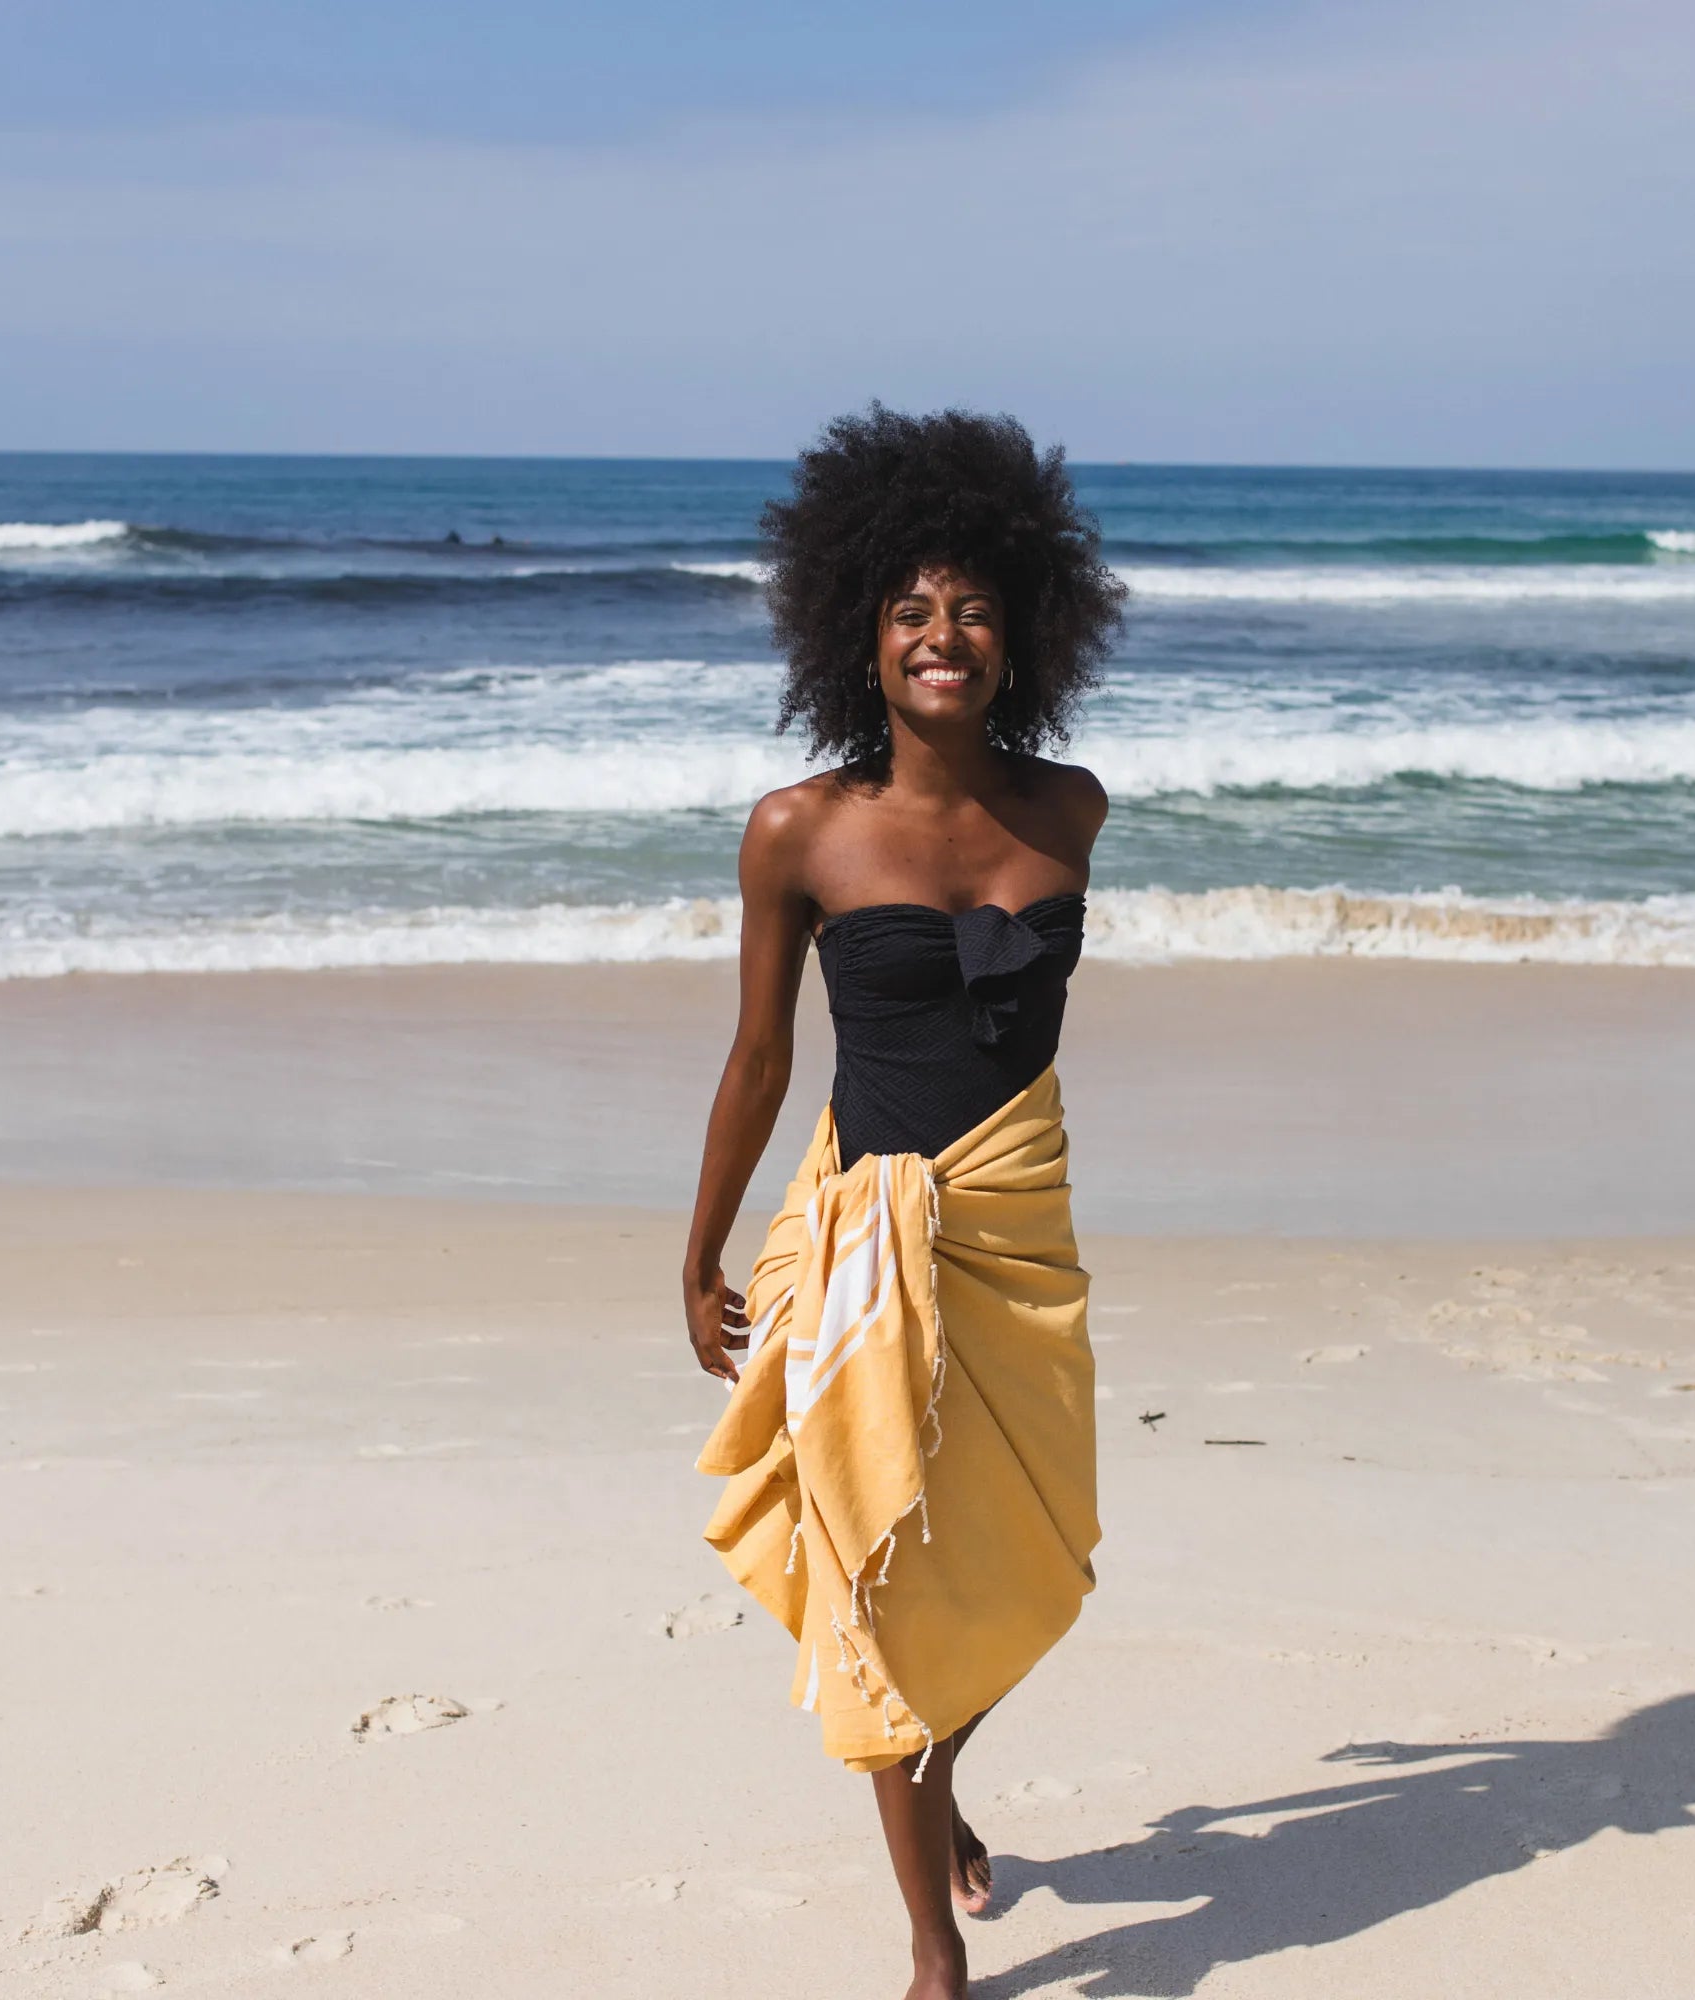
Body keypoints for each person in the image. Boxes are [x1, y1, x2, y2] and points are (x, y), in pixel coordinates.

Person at [682, 404, 1126, 2000]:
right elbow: (754, 1056)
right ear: (858, 637)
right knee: (876, 1558)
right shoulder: (798, 831)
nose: (945, 634)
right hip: (861, 1236)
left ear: (1025, 630)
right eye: (911, 610)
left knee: (1030, 1546)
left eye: (974, 607)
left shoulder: (1067, 811)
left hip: (1016, 1230)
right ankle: (933, 1952)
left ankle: (938, 1779)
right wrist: (700, 1246)